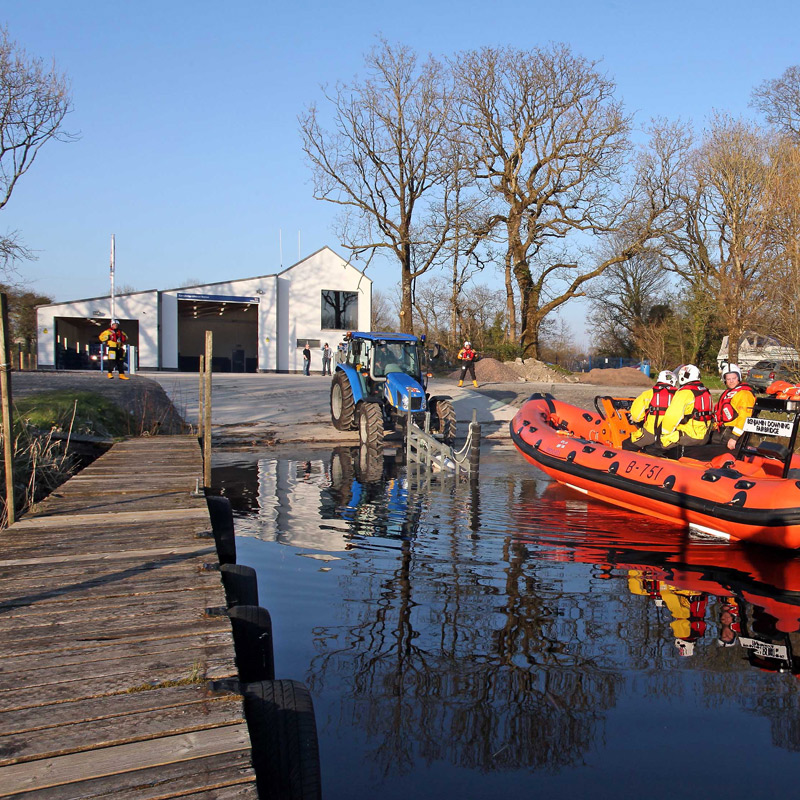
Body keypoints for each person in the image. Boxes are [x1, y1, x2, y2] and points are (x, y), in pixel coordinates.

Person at [658, 364, 714, 451]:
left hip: (690, 436)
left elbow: (672, 417)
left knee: (657, 445)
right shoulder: (705, 391)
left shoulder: (684, 392)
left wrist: (663, 433)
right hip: (704, 436)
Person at [624, 370, 677, 451]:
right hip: (672, 434)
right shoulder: (678, 395)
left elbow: (636, 416)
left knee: (627, 445)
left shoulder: (648, 394)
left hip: (651, 432)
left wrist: (637, 420)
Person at [714, 363, 755, 451]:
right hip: (722, 430)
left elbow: (744, 417)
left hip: (732, 433)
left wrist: (734, 437)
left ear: (739, 378)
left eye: (734, 378)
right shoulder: (728, 393)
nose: (731, 381)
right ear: (725, 380)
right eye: (728, 379)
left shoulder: (744, 394)